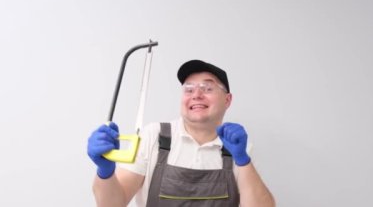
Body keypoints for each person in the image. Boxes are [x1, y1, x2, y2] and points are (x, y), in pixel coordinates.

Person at [87, 59, 275, 207]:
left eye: (207, 88)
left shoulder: (237, 147)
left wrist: (243, 160)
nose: (196, 95)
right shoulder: (155, 136)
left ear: (227, 100)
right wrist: (105, 172)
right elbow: (112, 205)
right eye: (189, 89)